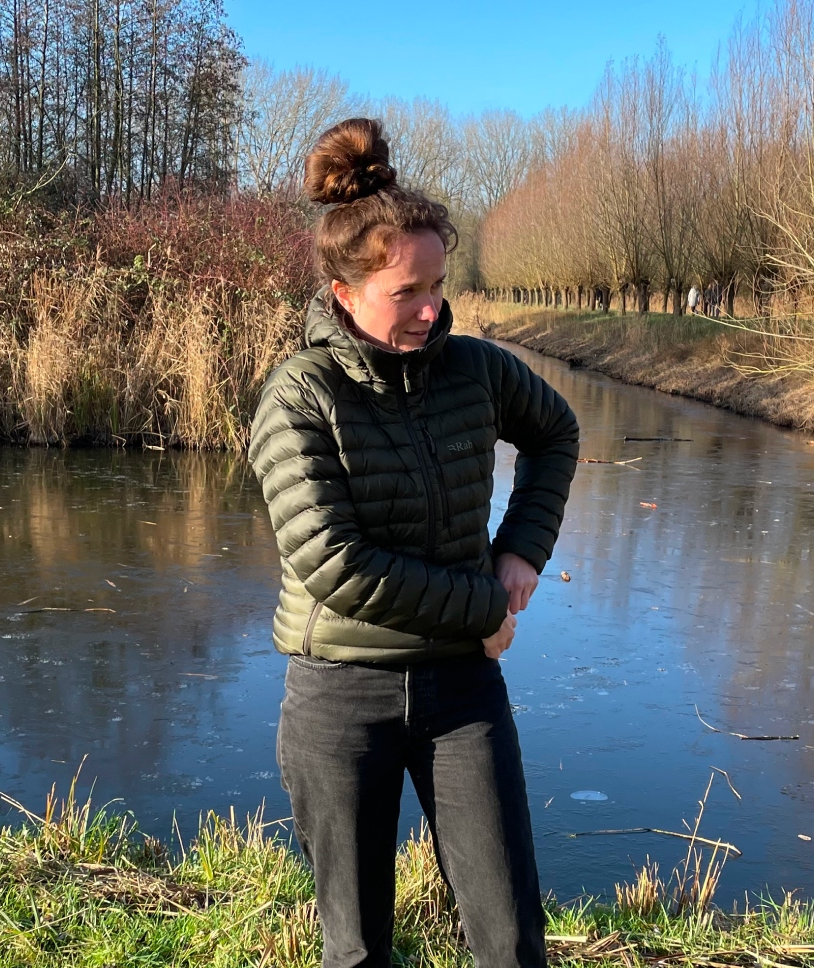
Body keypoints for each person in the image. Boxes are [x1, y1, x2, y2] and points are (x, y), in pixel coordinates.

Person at [249, 118, 580, 968]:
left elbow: (556, 433)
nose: (432, 310)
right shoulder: (300, 397)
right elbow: (335, 565)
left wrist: (521, 552)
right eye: (407, 292)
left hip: (463, 690)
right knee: (357, 948)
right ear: (343, 292)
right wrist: (484, 607)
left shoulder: (477, 369)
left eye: (437, 284)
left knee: (511, 939)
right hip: (339, 696)